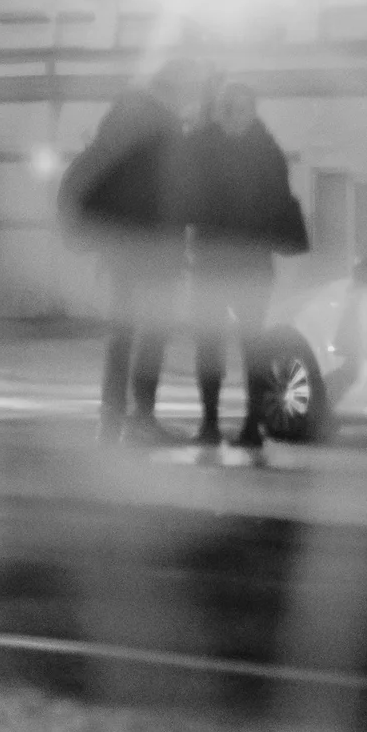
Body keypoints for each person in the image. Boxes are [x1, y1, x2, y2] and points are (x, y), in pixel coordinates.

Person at [62, 61, 200, 446]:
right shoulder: (163, 127)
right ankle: (142, 417)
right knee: (153, 331)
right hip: (152, 249)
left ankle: (110, 419)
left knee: (123, 334)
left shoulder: (119, 120)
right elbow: (172, 193)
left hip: (120, 249)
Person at [182, 79, 307, 464]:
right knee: (225, 343)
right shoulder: (260, 149)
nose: (232, 113)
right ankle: (227, 423)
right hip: (236, 262)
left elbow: (189, 197)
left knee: (232, 345)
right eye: (229, 107)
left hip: (229, 262)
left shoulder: (222, 148)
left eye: (236, 107)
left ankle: (234, 423)